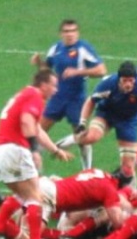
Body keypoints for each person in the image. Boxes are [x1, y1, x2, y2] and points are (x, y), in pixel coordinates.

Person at [0, 68, 72, 239]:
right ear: (43, 85)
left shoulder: (24, 94)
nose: (55, 90)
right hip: (14, 150)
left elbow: (37, 129)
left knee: (22, 194)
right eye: (53, 86)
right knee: (35, 196)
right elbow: (27, 122)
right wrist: (34, 151)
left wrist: (55, 150)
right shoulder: (35, 96)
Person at [58, 61, 137, 181]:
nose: (128, 84)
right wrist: (82, 123)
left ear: (135, 79)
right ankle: (70, 146)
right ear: (119, 79)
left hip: (129, 121)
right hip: (106, 114)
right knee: (91, 137)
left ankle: (129, 193)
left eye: (131, 80)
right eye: (125, 80)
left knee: (128, 169)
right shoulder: (108, 84)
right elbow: (90, 101)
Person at [0, 168, 131, 239]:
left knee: (22, 224)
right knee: (28, 238)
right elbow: (118, 222)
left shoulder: (98, 172)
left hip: (47, 186)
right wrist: (133, 225)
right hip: (49, 197)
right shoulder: (110, 190)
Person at [31, 19, 106, 168]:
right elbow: (46, 70)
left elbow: (101, 70)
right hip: (57, 98)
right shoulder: (56, 49)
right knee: (37, 131)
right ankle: (32, 167)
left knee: (82, 137)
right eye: (66, 31)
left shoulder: (83, 48)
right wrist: (39, 62)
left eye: (73, 31)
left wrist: (77, 72)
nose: (70, 34)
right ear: (61, 34)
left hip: (76, 100)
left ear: (77, 33)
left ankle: (87, 169)